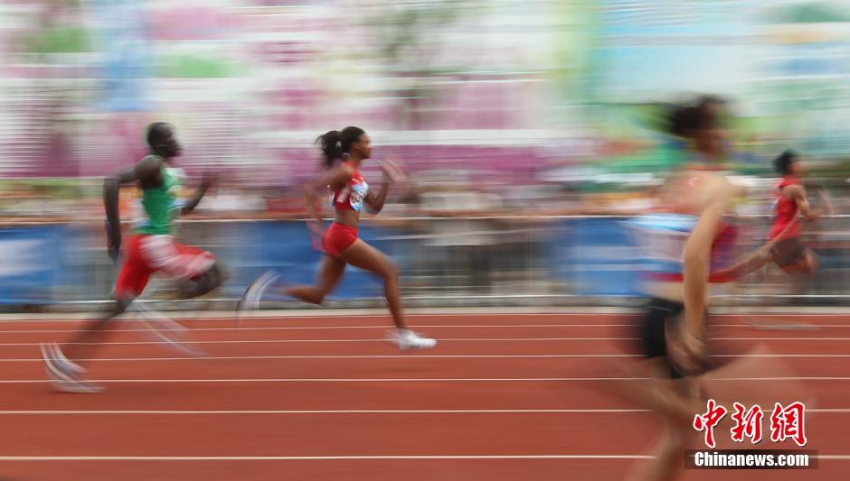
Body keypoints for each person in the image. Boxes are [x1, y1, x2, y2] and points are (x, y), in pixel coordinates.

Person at [41, 122, 222, 393]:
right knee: (216, 271)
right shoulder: (152, 164)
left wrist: (204, 189)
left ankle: (64, 363)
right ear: (159, 143)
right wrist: (112, 230)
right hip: (154, 245)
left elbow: (182, 208)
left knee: (116, 307)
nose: (176, 141)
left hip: (142, 247)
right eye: (171, 137)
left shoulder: (168, 174)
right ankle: (169, 300)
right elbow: (111, 181)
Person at [625, 95, 744, 481]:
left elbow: (669, 251)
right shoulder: (716, 185)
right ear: (702, 135)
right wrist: (693, 330)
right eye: (719, 126)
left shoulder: (674, 182)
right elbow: (695, 256)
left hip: (651, 312)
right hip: (680, 318)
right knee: (745, 416)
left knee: (680, 434)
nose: (726, 134)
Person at [239, 126, 436, 350]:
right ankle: (403, 334)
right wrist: (314, 223)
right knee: (390, 272)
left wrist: (387, 180)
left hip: (341, 235)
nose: (371, 146)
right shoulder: (345, 171)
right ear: (356, 146)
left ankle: (269, 287)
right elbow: (311, 188)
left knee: (319, 295)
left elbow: (375, 208)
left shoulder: (358, 176)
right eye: (367, 142)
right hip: (342, 235)